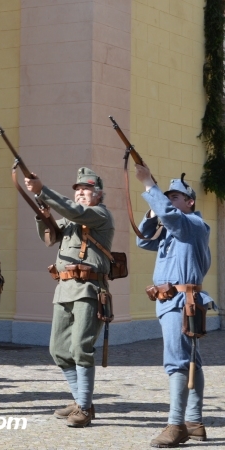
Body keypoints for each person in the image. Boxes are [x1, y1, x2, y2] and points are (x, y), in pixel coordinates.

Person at [24, 167, 114, 427]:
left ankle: (84, 409)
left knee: (80, 348)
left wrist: (42, 190)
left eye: (87, 190)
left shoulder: (99, 215)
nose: (81, 194)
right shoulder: (71, 219)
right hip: (64, 289)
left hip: (89, 289)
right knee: (59, 350)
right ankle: (80, 400)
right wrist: (43, 216)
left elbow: (76, 212)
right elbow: (49, 238)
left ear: (98, 196)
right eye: (78, 190)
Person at [135, 167, 214, 447]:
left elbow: (170, 215)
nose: (169, 201)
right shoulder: (174, 230)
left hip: (182, 301)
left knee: (177, 362)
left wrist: (148, 186)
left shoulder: (192, 224)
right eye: (167, 197)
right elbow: (143, 240)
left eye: (176, 197)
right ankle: (194, 422)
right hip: (171, 302)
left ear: (190, 202)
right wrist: (152, 213)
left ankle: (176, 425)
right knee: (192, 360)